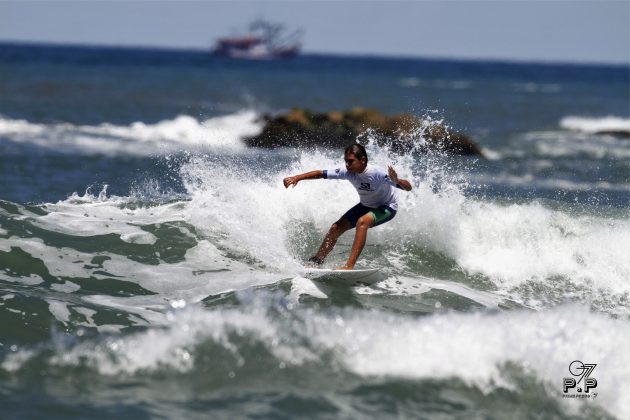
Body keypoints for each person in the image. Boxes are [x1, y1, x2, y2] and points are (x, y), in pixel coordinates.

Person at [283, 143, 412, 270]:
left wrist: (397, 180)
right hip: (366, 205)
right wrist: (297, 177)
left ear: (362, 160)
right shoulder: (348, 172)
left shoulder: (377, 173)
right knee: (335, 228)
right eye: (346, 161)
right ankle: (317, 261)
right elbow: (321, 174)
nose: (347, 164)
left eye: (350, 161)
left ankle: (349, 266)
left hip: (387, 207)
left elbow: (408, 187)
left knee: (362, 222)